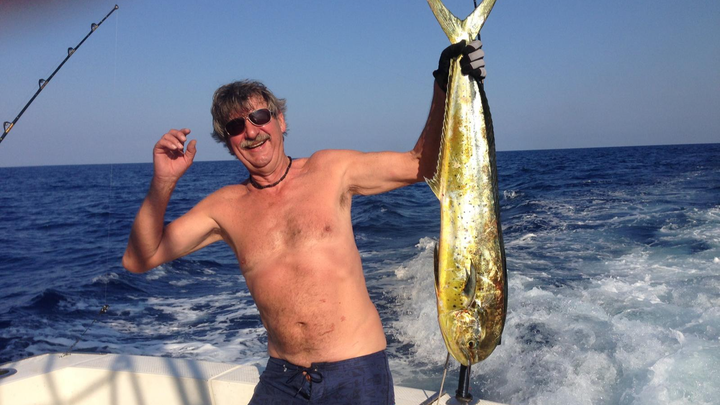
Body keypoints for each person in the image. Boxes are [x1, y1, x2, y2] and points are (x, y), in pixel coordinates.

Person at [122, 40, 486, 405]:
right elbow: (140, 258)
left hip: (356, 371)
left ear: (280, 121)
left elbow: (421, 164)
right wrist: (164, 181)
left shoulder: (331, 169)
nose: (251, 131)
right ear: (228, 142)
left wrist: (445, 83)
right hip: (283, 379)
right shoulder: (223, 207)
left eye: (259, 116)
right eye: (235, 126)